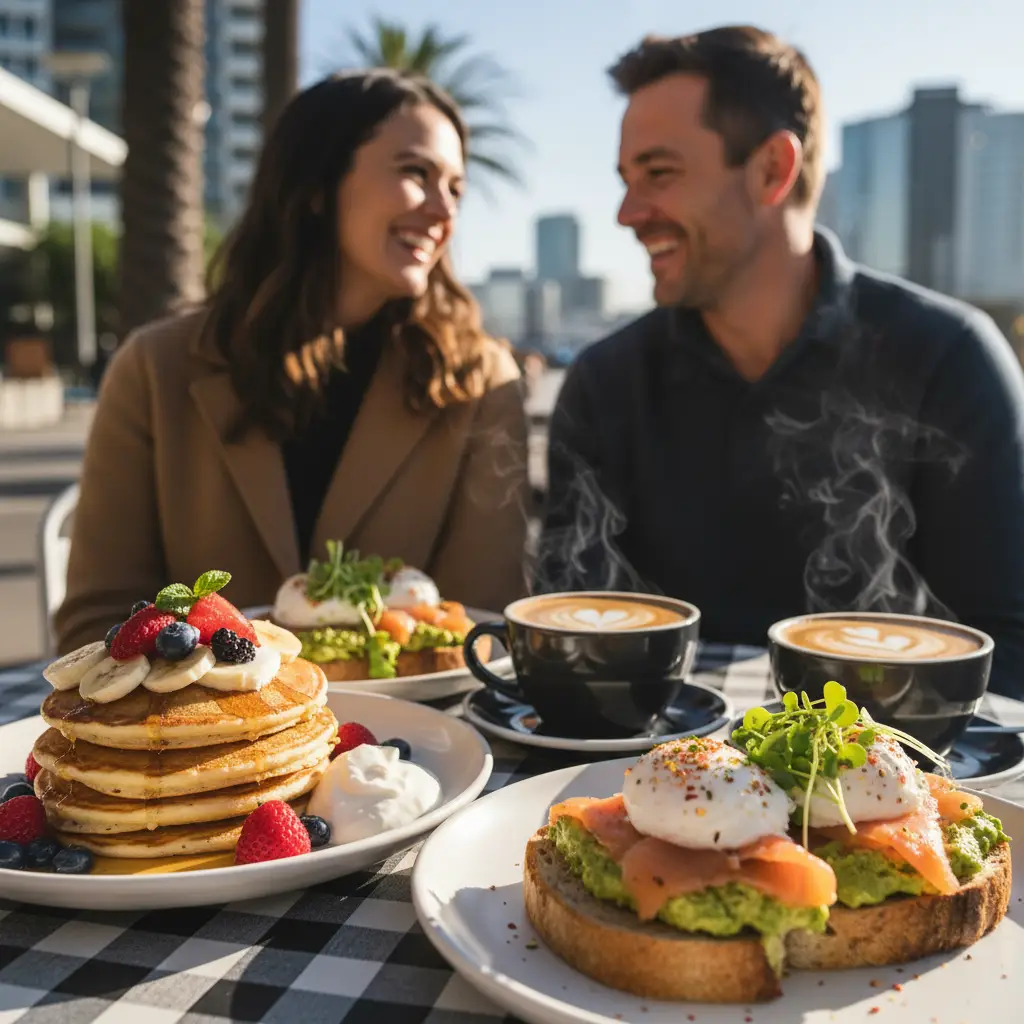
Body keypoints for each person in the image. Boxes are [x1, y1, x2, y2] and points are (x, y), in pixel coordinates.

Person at [537, 26, 1024, 697]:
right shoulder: (604, 382)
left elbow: (1009, 648)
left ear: (773, 168)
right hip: (660, 781)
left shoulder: (949, 358)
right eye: (626, 180)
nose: (628, 213)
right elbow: (569, 637)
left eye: (659, 173)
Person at [56, 69, 529, 653]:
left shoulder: (480, 381)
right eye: (415, 172)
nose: (442, 209)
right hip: (200, 738)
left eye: (455, 187)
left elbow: (483, 630)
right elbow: (97, 622)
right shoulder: (156, 369)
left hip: (418, 739)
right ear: (316, 184)